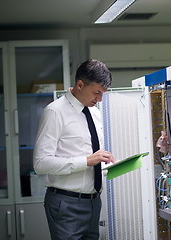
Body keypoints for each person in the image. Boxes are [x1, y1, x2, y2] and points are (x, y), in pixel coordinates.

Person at [33, 59, 115, 240]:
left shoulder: (95, 112)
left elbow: (92, 153)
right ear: (80, 85)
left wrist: (104, 162)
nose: (100, 99)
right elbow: (40, 163)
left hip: (94, 203)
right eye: (97, 92)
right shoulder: (55, 112)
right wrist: (86, 161)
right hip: (66, 203)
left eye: (103, 94)